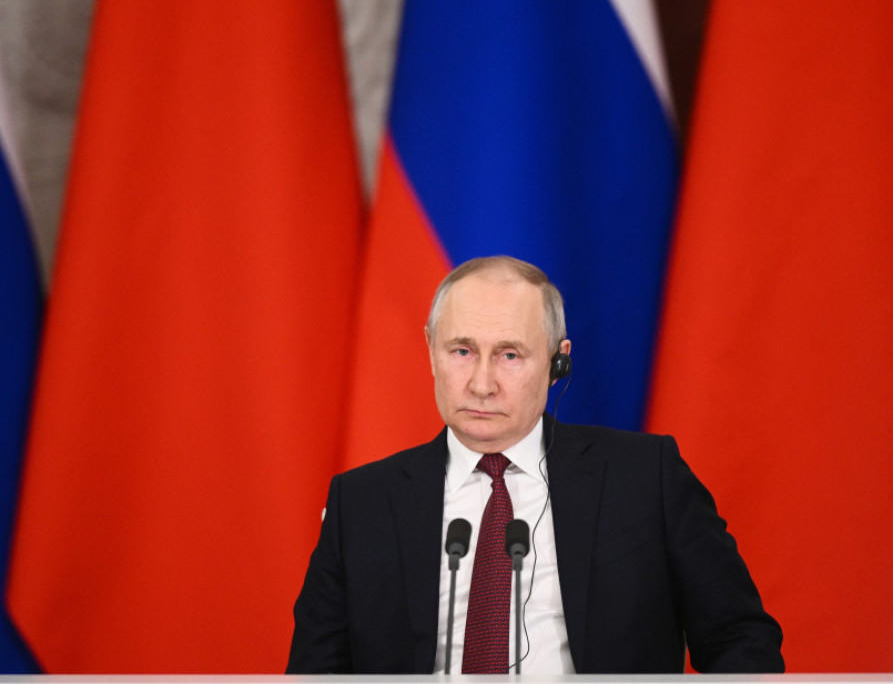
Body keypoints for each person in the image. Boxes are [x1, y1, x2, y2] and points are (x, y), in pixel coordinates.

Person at [287, 255, 783, 674]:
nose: (482, 384)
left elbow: (740, 639)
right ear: (431, 351)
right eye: (462, 351)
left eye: (509, 355)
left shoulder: (645, 478)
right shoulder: (362, 502)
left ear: (557, 362)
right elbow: (314, 672)